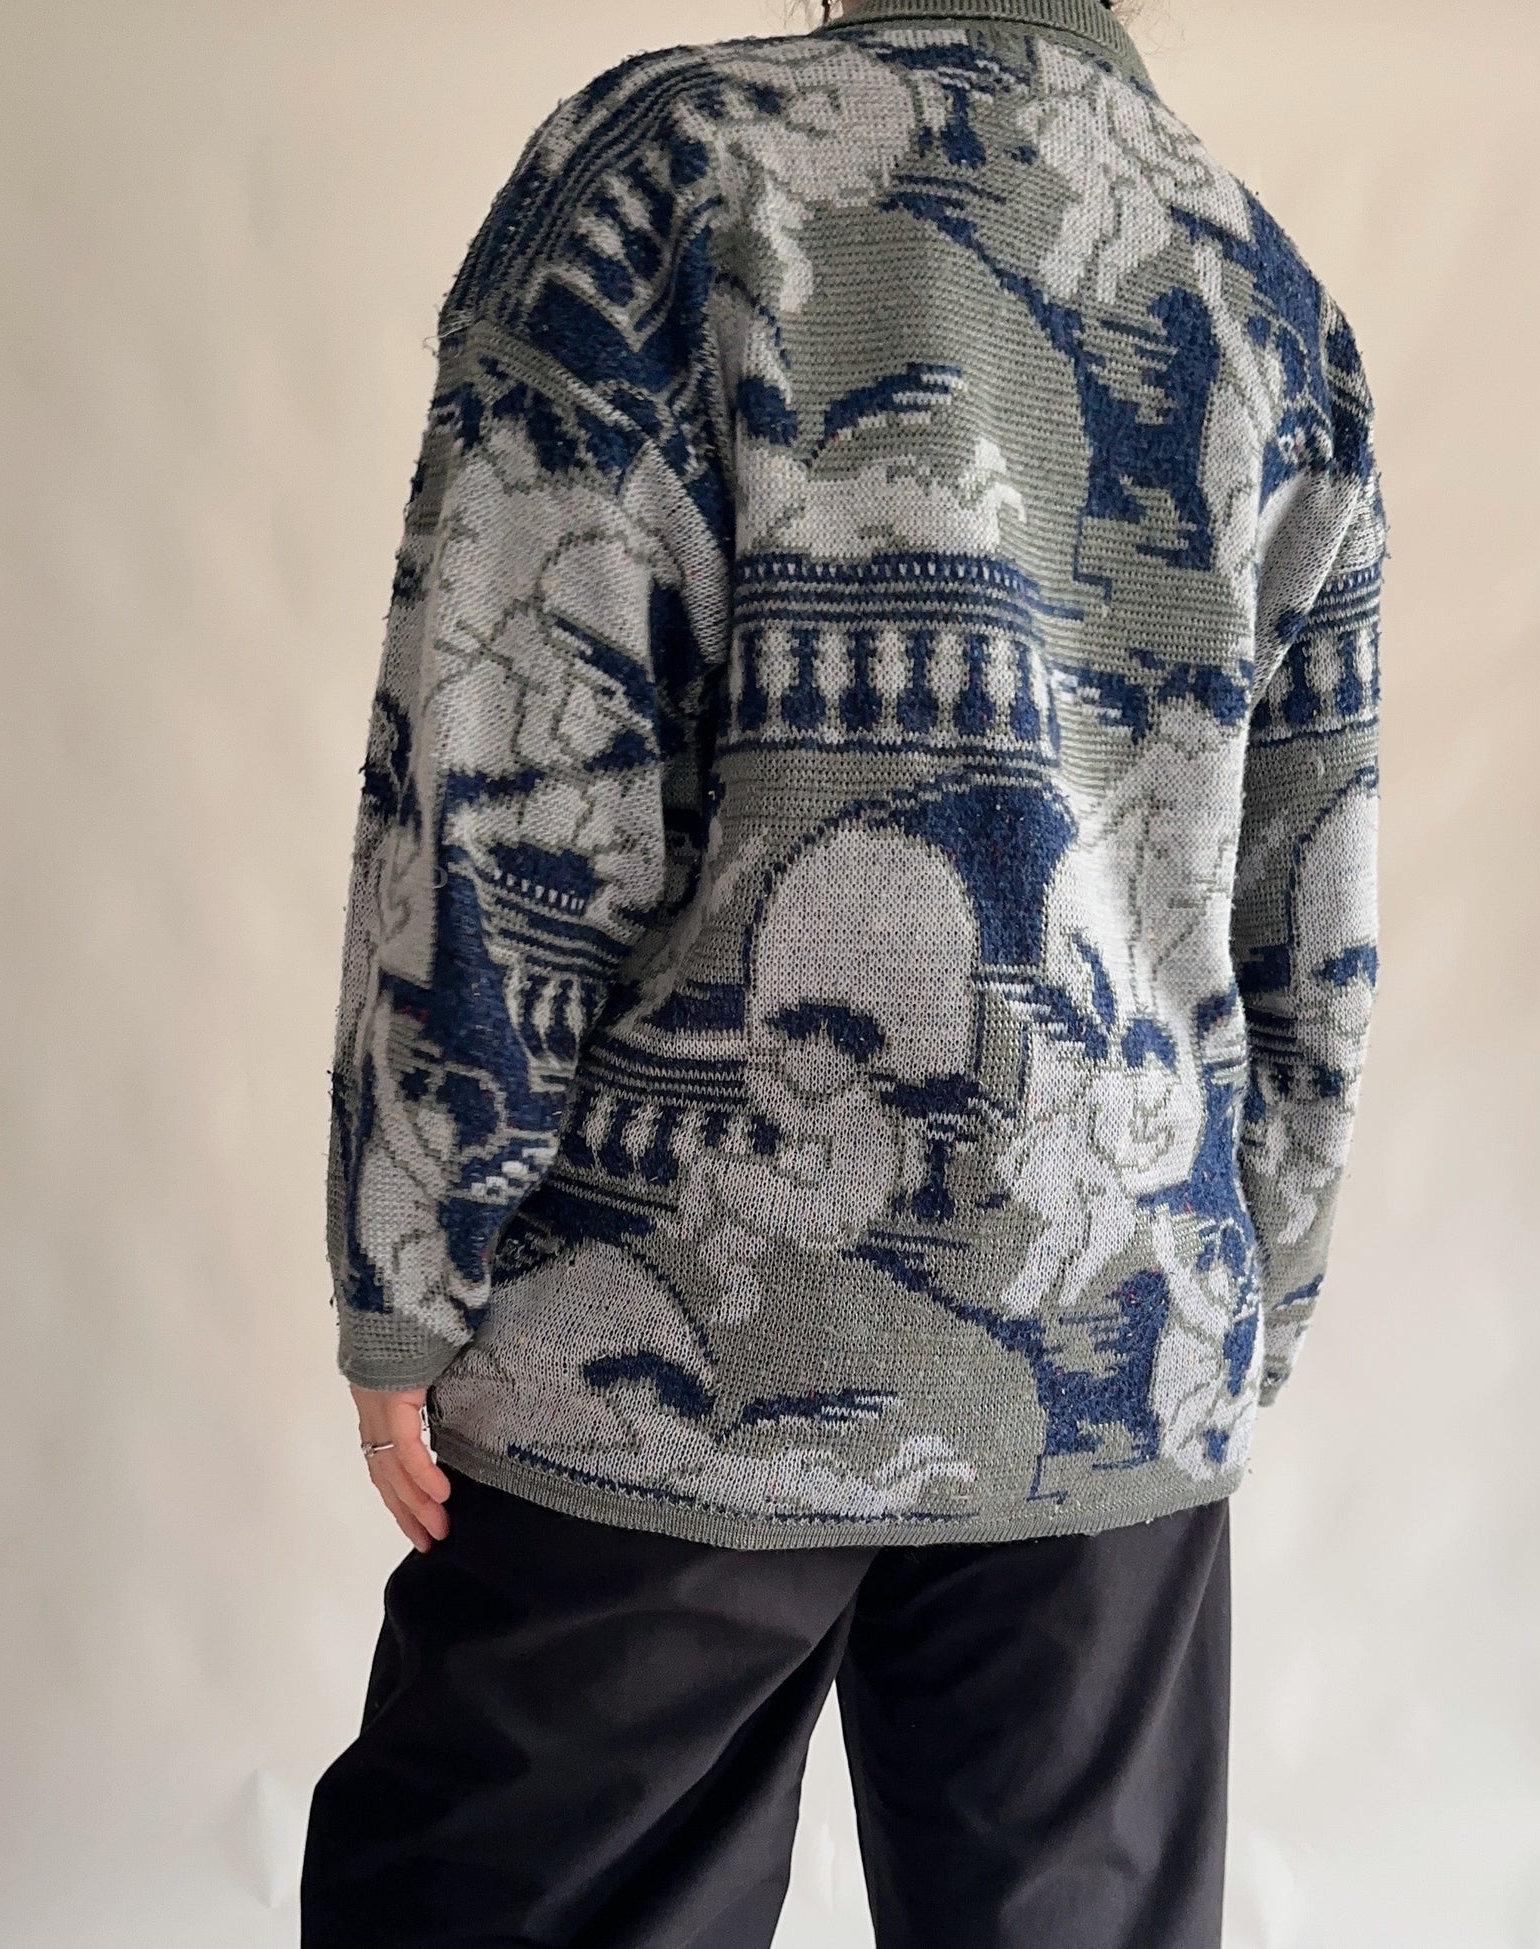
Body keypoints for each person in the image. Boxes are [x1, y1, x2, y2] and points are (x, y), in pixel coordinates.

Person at [300, 0, 1388, 1941]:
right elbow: (1308, 895)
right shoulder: (1258, 283)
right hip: (1115, 1359)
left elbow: (503, 772)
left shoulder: (673, 170)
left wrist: (409, 1255)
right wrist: (1245, 1306)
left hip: (659, 1360)